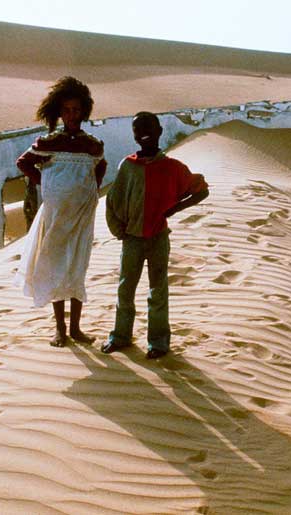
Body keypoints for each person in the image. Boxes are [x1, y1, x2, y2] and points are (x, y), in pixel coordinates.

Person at [103, 111, 209, 359]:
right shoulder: (127, 166)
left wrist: (173, 209)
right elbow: (112, 202)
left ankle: (159, 343)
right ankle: (120, 336)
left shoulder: (172, 168)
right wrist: (119, 231)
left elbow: (201, 190)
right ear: (134, 135)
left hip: (159, 238)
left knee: (158, 291)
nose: (144, 133)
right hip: (132, 239)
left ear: (160, 131)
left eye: (149, 127)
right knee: (125, 290)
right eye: (138, 129)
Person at [14, 76, 106, 347]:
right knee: (55, 266)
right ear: (59, 112)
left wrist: (92, 189)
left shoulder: (92, 144)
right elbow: (24, 163)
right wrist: (48, 185)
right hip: (55, 216)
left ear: (84, 111)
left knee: (77, 267)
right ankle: (60, 330)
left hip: (82, 216)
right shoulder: (48, 142)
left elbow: (100, 166)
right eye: (66, 110)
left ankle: (76, 329)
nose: (72, 115)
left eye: (76, 109)